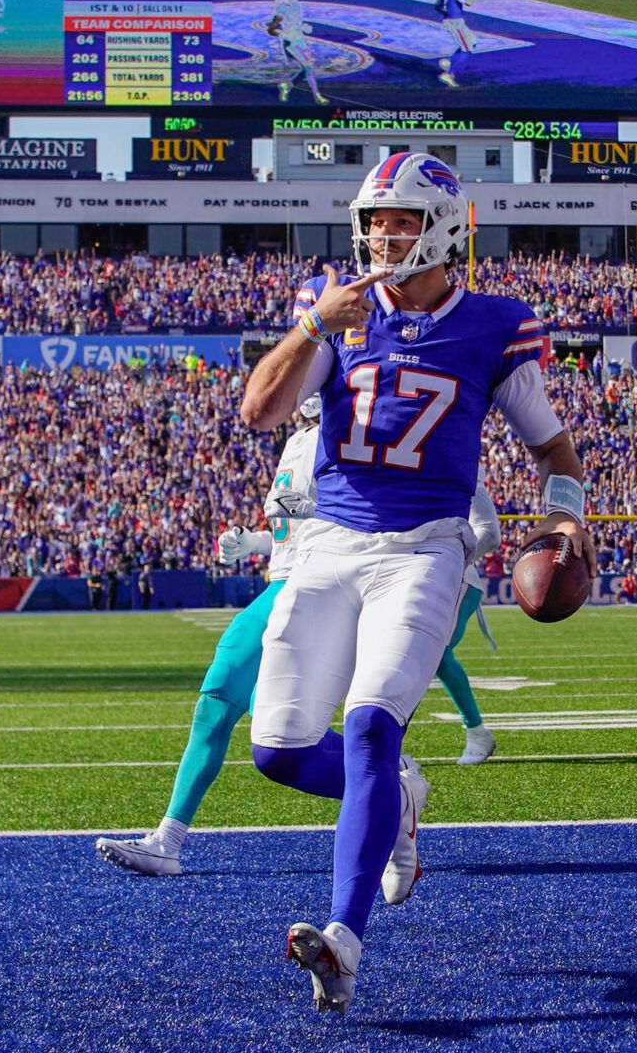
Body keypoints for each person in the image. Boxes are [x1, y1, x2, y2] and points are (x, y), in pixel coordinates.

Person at [239, 152, 592, 1014]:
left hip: (427, 546)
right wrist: (314, 328)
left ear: (438, 226)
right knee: (278, 752)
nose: (381, 235)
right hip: (328, 540)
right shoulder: (336, 309)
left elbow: (551, 446)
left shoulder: (497, 324)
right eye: (375, 219)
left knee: (367, 727)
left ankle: (344, 939)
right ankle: (400, 801)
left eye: (399, 219)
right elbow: (258, 413)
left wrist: (564, 515)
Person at [98, 393, 326, 878]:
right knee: (215, 705)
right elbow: (289, 529)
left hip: (315, 585)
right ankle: (168, 840)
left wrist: (311, 508)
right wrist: (256, 543)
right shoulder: (296, 443)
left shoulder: (347, 435)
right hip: (281, 582)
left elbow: (364, 514)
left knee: (284, 738)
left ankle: (391, 786)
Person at [432, 489, 502, 767]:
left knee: (437, 653)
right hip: (410, 577)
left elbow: (489, 533)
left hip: (456, 578)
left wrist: (449, 555)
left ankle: (476, 732)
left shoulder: (462, 473)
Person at [266, 0, 327, 105]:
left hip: (299, 40)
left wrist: (304, 27)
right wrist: (280, 33)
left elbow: (297, 23)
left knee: (308, 68)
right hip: (289, 42)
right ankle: (317, 96)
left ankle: (287, 86)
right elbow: (271, 29)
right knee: (308, 67)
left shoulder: (297, 6)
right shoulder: (280, 9)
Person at [434, 0, 479, 89]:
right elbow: (468, 3)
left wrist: (447, 12)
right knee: (467, 49)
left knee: (472, 41)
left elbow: (437, 6)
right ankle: (448, 74)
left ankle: (449, 61)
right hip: (455, 22)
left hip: (451, 20)